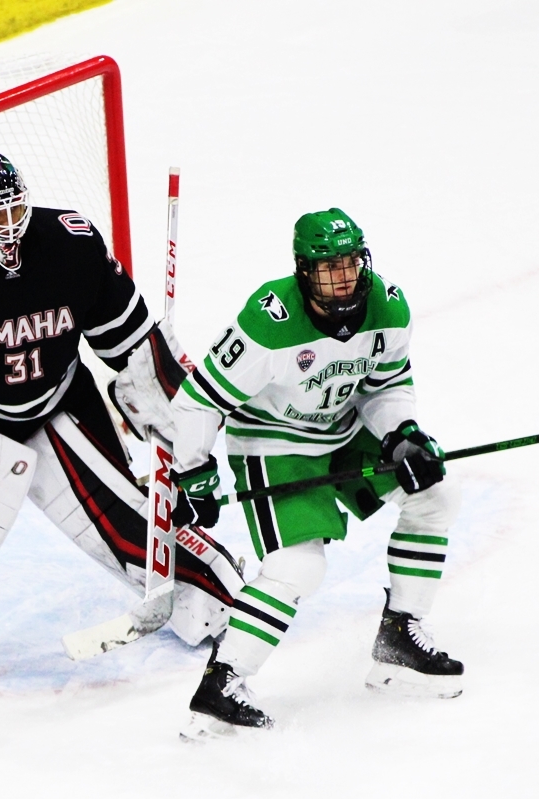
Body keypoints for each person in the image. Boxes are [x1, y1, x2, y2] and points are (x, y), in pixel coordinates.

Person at [0, 151, 244, 688]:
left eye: (15, 210)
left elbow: (131, 337)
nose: (8, 227)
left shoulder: (70, 243)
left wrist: (168, 403)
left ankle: (213, 594)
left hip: (61, 400)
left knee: (124, 515)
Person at [169, 208, 463, 738]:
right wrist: (192, 471)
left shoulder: (388, 306)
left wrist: (402, 435)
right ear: (304, 271)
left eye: (351, 263)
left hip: (345, 431)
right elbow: (197, 401)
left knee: (435, 495)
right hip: (273, 444)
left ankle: (399, 637)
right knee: (298, 566)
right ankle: (222, 683)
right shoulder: (268, 322)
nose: (344, 276)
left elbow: (386, 386)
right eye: (329, 268)